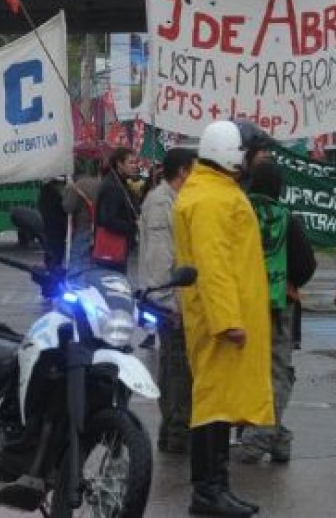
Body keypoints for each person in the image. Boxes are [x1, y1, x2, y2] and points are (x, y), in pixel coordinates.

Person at [173, 121, 273, 517]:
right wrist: (227, 319)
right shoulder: (212, 199)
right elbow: (213, 265)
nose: (255, 159)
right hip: (222, 324)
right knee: (213, 407)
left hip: (224, 320)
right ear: (232, 154)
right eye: (251, 152)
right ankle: (208, 491)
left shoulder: (215, 191)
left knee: (220, 406)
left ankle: (217, 487)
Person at [236, 160, 316, 465]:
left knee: (249, 373)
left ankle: (265, 436)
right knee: (277, 371)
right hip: (278, 305)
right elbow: (306, 264)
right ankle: (271, 435)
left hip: (244, 304)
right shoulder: (287, 218)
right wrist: (289, 281)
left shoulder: (238, 213)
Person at [136, 146, 196, 455]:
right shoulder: (161, 202)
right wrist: (167, 301)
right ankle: (175, 432)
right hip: (169, 301)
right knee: (175, 368)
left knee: (179, 366)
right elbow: (160, 257)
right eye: (194, 170)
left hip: (175, 298)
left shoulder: (174, 200)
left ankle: (174, 428)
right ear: (183, 171)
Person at [95, 147, 140, 273]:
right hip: (112, 244)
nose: (134, 166)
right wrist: (133, 227)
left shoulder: (122, 183)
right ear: (119, 164)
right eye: (131, 162)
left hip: (121, 243)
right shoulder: (112, 186)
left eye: (136, 163)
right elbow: (108, 219)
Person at [62, 171, 101, 271]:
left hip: (84, 225)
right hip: (100, 227)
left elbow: (68, 207)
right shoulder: (100, 183)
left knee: (77, 257)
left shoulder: (75, 186)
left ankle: (77, 281)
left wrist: (66, 192)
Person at [38, 177, 69, 269]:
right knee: (56, 249)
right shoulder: (53, 192)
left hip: (52, 225)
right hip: (55, 226)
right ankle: (54, 267)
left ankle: (53, 266)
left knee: (53, 248)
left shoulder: (47, 191)